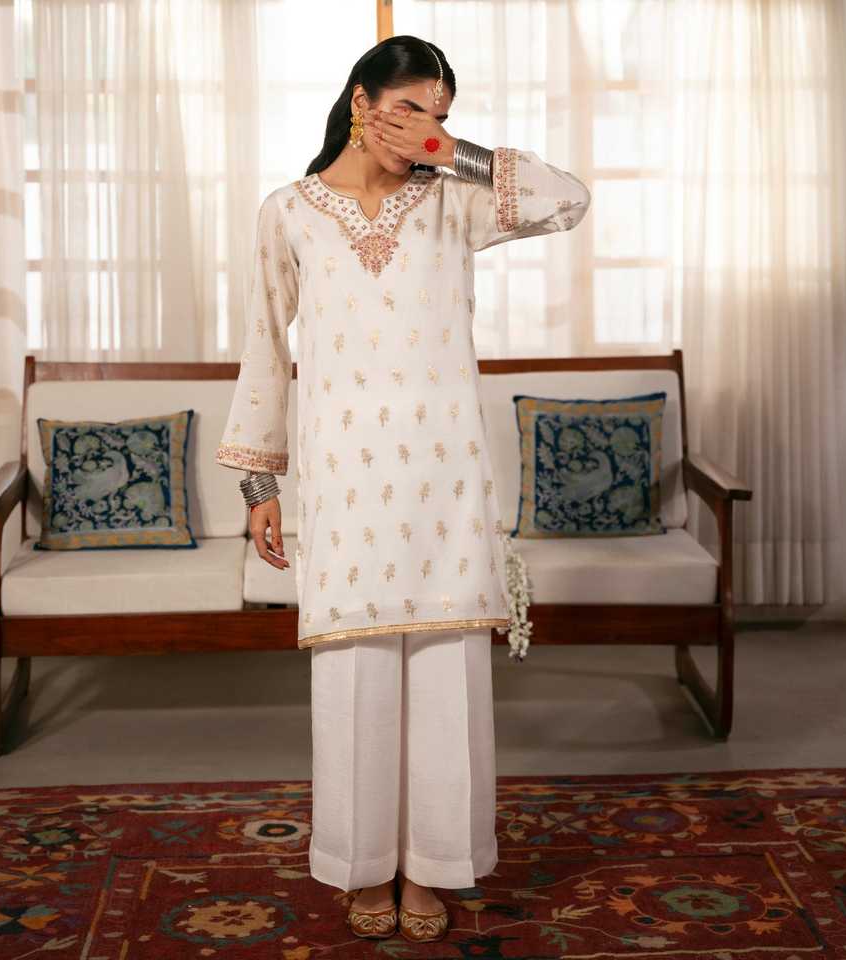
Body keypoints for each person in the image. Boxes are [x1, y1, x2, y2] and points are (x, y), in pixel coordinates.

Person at [216, 35, 590, 943]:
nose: (425, 128)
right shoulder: (289, 214)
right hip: (346, 479)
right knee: (355, 671)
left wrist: (452, 153)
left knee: (447, 675)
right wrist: (261, 481)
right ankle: (363, 866)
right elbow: (265, 342)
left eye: (440, 113)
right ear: (360, 102)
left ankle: (432, 865)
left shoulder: (453, 201)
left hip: (444, 474)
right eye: (409, 108)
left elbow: (568, 200)